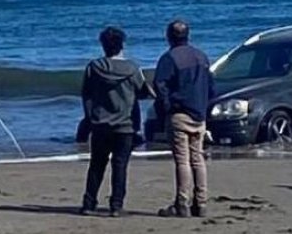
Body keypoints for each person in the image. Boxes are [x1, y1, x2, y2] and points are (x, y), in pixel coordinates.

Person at [79, 27, 151, 217]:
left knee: (97, 165)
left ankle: (89, 203)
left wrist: (89, 117)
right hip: (125, 125)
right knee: (120, 166)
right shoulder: (132, 68)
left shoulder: (94, 67)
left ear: (103, 45)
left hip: (101, 123)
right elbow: (143, 92)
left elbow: (86, 94)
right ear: (122, 45)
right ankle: (116, 205)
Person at [154, 19, 215, 218]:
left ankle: (183, 203)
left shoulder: (169, 58)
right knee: (197, 158)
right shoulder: (201, 57)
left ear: (169, 36)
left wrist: (167, 108)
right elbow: (211, 87)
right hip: (199, 113)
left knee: (182, 160)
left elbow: (160, 87)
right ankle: (202, 202)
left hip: (180, 113)